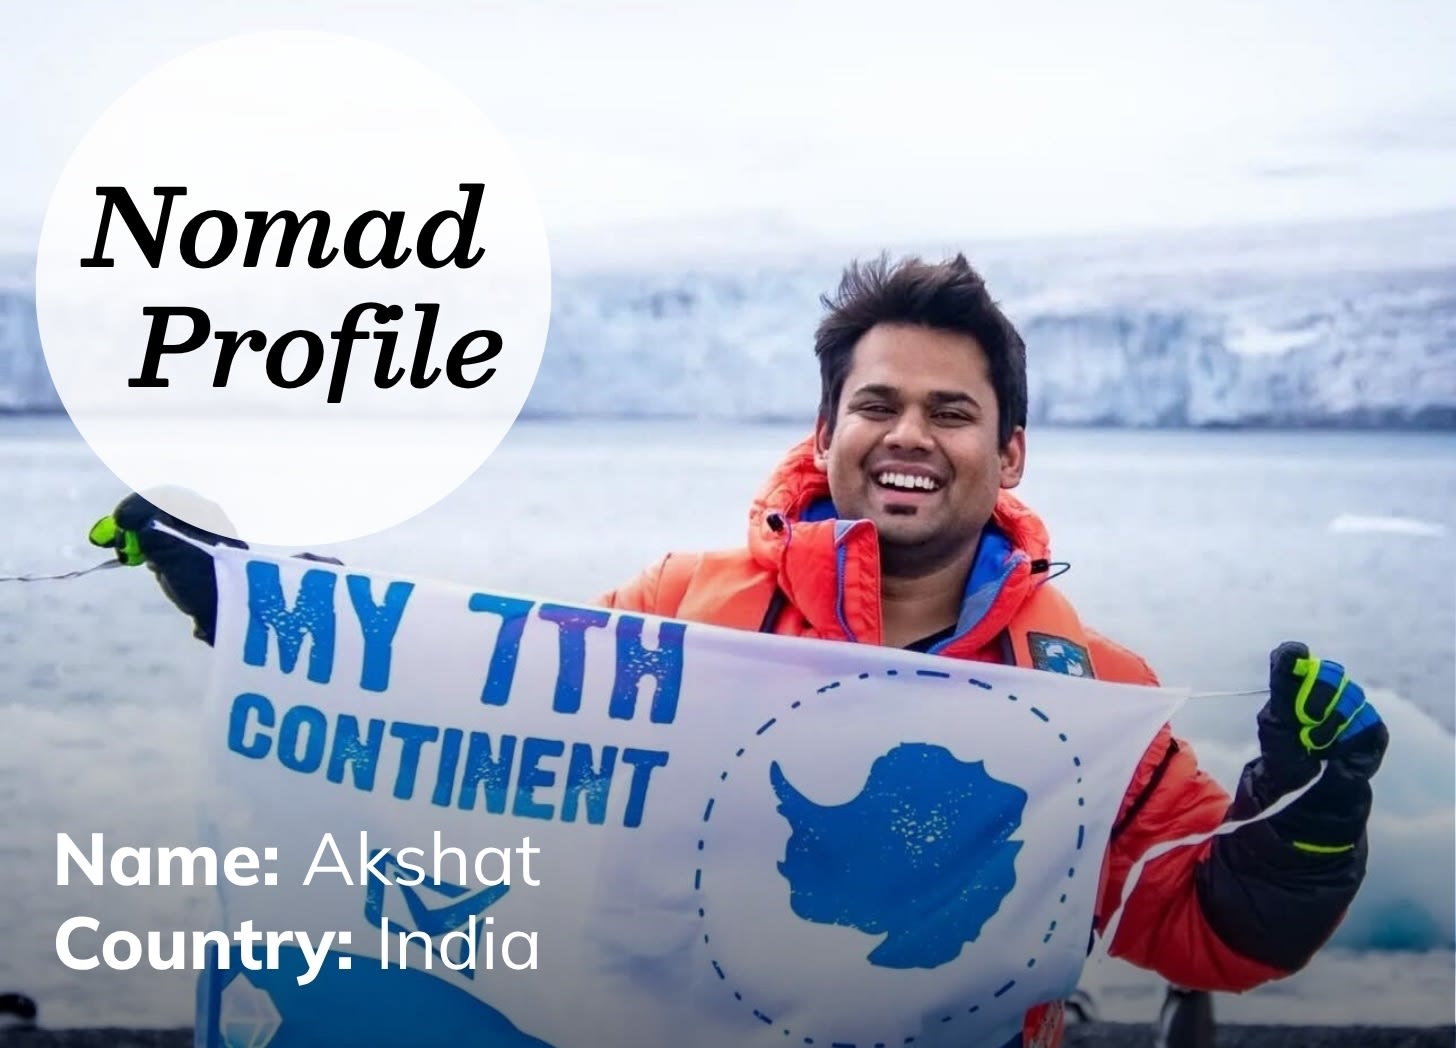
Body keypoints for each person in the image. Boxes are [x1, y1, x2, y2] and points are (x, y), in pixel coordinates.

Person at [105, 254, 1387, 1048]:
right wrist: (264, 606)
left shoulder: (1082, 693)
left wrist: (1307, 817)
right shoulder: (684, 608)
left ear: (1008, 456)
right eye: (877, 403)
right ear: (827, 429)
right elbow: (467, 702)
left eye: (953, 411)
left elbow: (1209, 930)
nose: (909, 435)